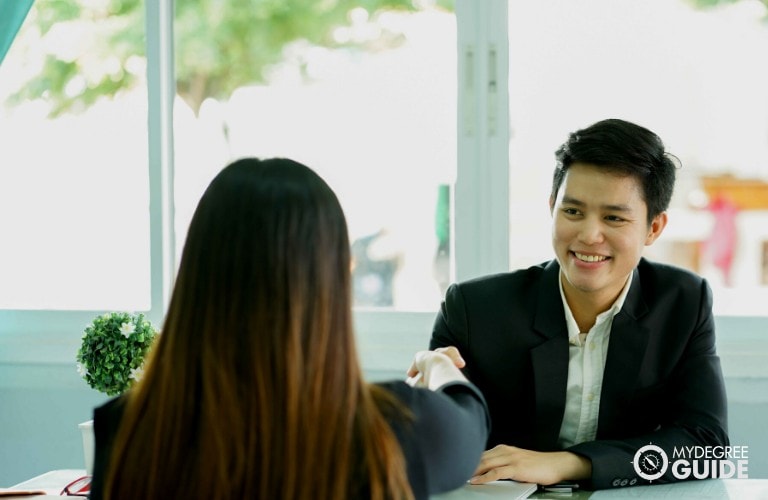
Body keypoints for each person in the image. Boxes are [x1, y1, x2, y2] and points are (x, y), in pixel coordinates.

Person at [89, 157, 489, 500]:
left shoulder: (128, 431)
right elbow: (470, 419)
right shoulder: (392, 429)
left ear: (196, 277)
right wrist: (437, 364)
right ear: (329, 281)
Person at [412, 118, 729, 490]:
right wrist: (435, 379)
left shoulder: (683, 303)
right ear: (552, 207)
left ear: (653, 228)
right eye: (573, 212)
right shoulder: (473, 309)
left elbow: (706, 447)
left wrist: (568, 465)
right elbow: (437, 447)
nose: (589, 235)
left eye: (613, 217)